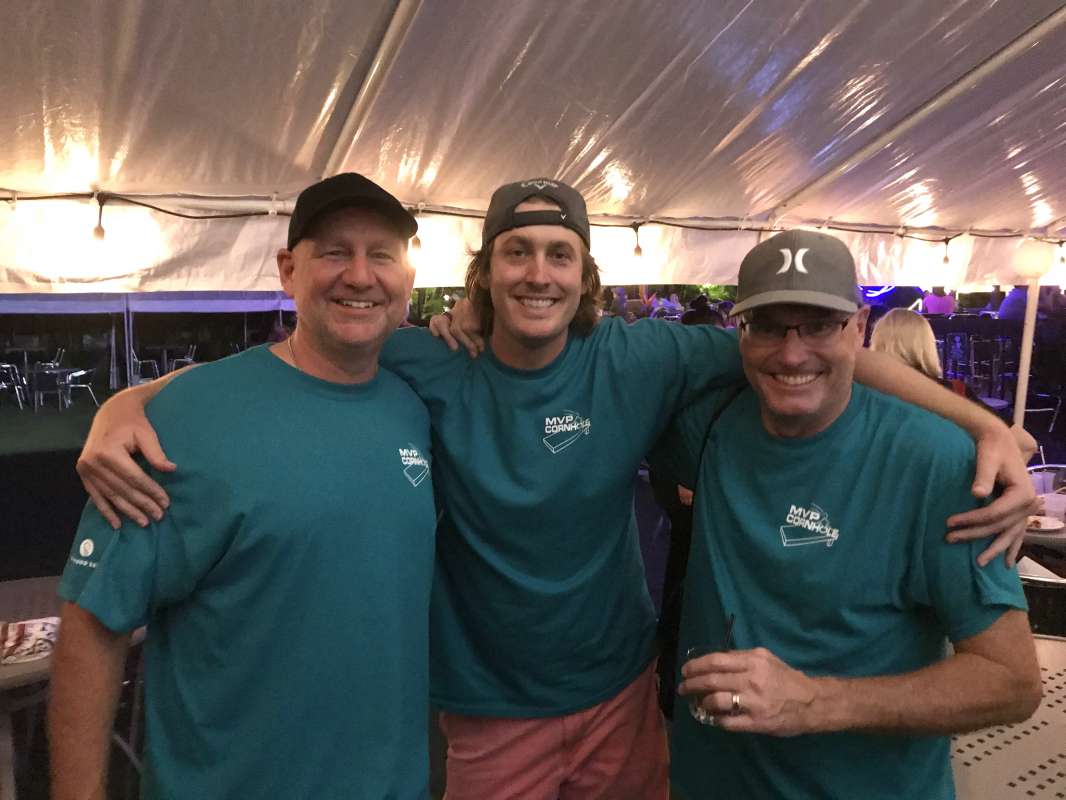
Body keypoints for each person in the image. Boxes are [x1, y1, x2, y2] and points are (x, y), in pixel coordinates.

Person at [75, 180, 1035, 799]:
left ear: (586, 278)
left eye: (560, 254)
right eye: (518, 252)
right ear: (483, 276)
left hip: (620, 694)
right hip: (489, 711)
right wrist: (128, 401)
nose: (539, 272)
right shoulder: (425, 362)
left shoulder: (641, 357)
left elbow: (806, 344)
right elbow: (294, 365)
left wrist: (981, 424)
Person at [48, 174, 436, 800]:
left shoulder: (415, 405)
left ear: (407, 280)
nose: (361, 276)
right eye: (335, 252)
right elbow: (93, 624)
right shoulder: (183, 420)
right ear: (288, 271)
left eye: (382, 255)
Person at [653, 230, 1042, 799]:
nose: (792, 353)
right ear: (741, 332)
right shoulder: (711, 423)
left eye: (820, 325)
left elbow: (1012, 681)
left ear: (860, 328)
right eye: (768, 326)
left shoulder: (941, 463)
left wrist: (816, 703)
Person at [870, 308, 1037, 460]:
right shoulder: (955, 392)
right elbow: (1026, 444)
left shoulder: (863, 394)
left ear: (877, 342)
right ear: (927, 344)